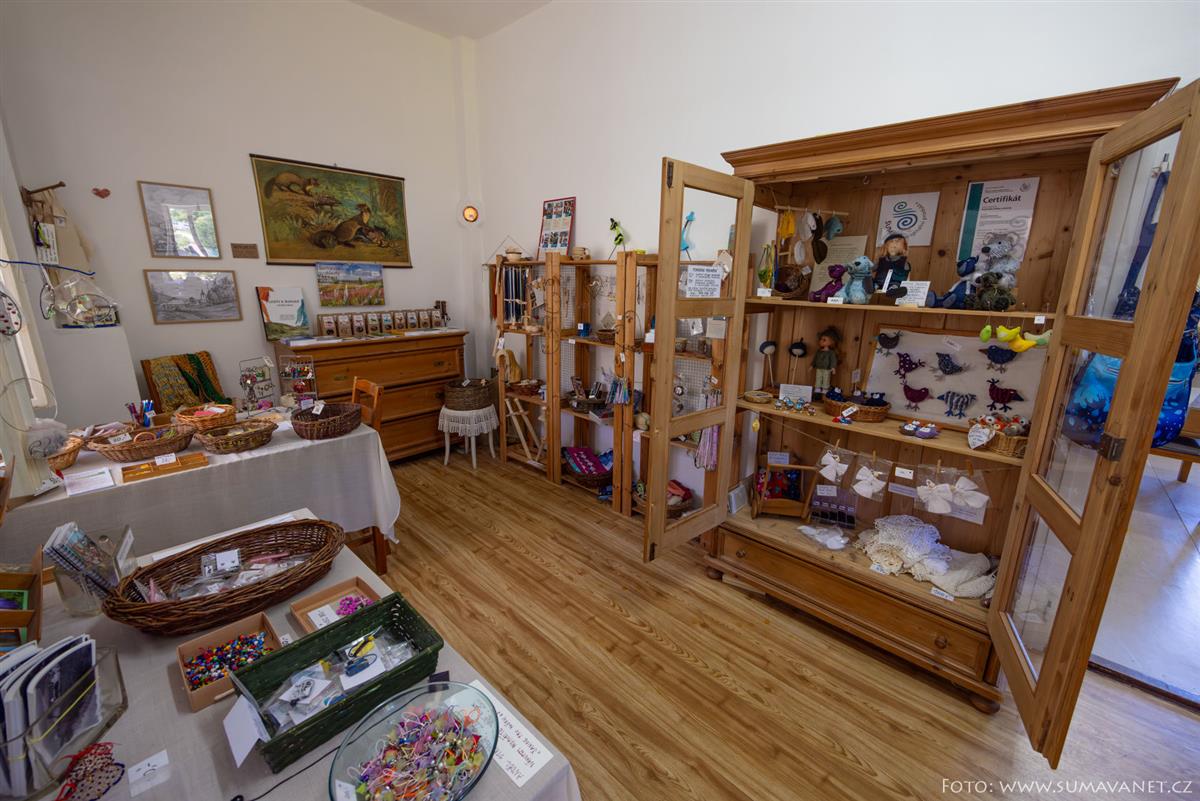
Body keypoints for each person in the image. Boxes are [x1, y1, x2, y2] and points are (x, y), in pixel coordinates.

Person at [813, 326, 840, 397]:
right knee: (818, 378)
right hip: (819, 368)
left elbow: (833, 360)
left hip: (827, 369)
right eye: (821, 339)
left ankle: (825, 388)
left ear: (832, 342)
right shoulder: (819, 351)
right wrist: (812, 365)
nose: (821, 341)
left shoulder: (831, 352)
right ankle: (817, 387)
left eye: (824, 340)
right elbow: (815, 359)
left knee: (826, 378)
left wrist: (833, 367)